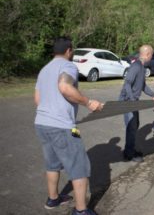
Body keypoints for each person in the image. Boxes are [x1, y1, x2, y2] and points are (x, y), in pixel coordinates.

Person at [34, 36, 103, 215]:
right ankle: (80, 211)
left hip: (42, 123)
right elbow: (64, 87)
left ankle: (53, 198)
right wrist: (88, 102)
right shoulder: (68, 66)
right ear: (69, 51)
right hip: (61, 126)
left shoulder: (44, 70)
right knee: (79, 166)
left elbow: (37, 100)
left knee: (52, 163)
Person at [119, 45, 154, 162]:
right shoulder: (136, 66)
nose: (151, 58)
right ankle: (129, 154)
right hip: (127, 100)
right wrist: (132, 101)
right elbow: (127, 84)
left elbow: (143, 86)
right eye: (151, 55)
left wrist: (153, 95)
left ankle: (129, 149)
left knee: (135, 124)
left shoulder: (142, 67)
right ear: (147, 54)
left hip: (133, 101)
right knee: (131, 126)